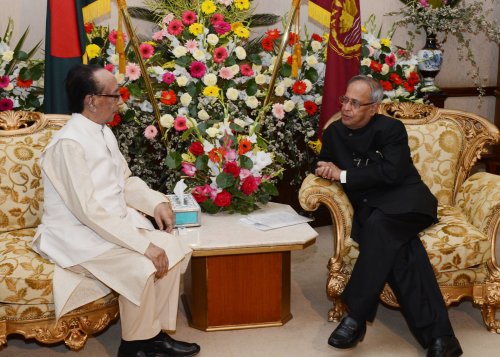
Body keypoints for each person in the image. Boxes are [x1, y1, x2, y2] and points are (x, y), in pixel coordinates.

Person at [33, 64, 200, 357]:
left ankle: (152, 337)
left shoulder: (101, 132)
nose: (119, 101)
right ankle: (134, 347)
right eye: (115, 95)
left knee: (173, 250)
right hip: (77, 236)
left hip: (109, 226)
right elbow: (87, 211)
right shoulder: (69, 144)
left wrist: (156, 202)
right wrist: (142, 245)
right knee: (144, 266)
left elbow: (123, 182)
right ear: (92, 100)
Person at [316, 75, 462, 357]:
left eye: (356, 103)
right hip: (372, 208)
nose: (346, 107)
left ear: (373, 108)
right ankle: (442, 339)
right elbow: (320, 161)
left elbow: (392, 173)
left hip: (408, 203)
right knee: (401, 250)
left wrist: (343, 174)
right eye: (345, 100)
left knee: (380, 228)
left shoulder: (391, 129)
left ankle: (355, 316)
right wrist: (323, 167)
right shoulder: (335, 132)